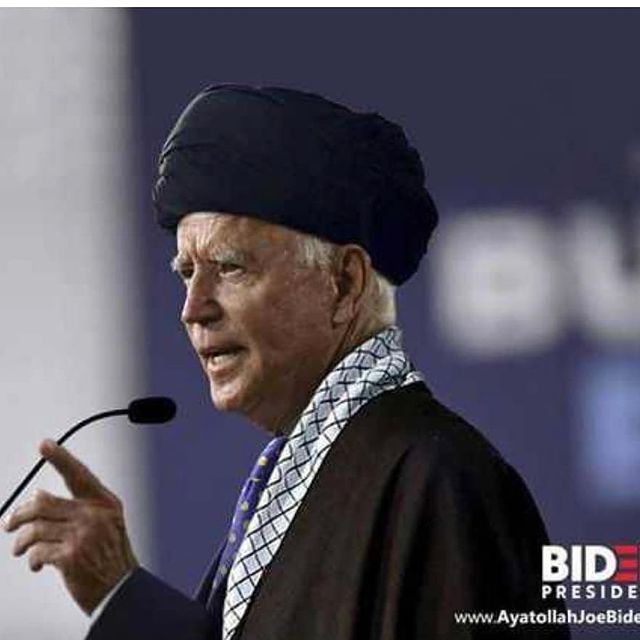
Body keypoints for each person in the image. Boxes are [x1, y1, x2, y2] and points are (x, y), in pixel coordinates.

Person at [2, 85, 570, 639]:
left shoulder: (442, 483)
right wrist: (121, 596)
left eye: (229, 267)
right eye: (186, 273)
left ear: (343, 283)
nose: (192, 310)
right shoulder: (307, 473)